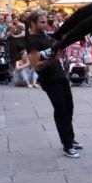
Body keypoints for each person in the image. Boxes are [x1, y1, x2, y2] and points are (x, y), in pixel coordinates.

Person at [27, 10, 82, 158]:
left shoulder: (45, 35)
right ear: (33, 23)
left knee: (69, 106)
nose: (46, 24)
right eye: (42, 22)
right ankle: (67, 145)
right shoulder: (32, 41)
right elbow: (36, 66)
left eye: (46, 21)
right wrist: (54, 59)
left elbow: (55, 51)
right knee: (61, 110)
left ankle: (70, 137)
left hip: (60, 75)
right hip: (49, 80)